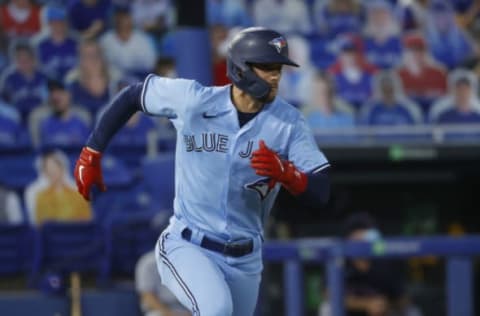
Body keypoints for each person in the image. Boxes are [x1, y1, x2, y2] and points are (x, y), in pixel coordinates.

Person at [74, 27, 331, 315]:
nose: (275, 76)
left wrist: (288, 174)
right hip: (190, 245)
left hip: (246, 258)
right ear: (241, 68)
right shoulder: (196, 100)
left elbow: (321, 191)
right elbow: (135, 95)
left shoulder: (289, 123)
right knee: (216, 309)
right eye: (267, 67)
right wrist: (92, 151)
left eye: (279, 69)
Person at [319, 212, 422, 316]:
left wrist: (385, 305)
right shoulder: (340, 260)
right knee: (328, 308)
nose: (363, 240)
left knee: (412, 311)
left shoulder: (385, 261)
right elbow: (328, 295)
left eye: (367, 234)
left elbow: (403, 298)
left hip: (382, 312)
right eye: (358, 237)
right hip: (350, 312)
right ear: (349, 238)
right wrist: (366, 304)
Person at [25, 150, 92, 226]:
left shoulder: (78, 194)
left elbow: (86, 220)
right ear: (45, 173)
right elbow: (41, 224)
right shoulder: (41, 197)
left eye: (55, 167)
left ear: (62, 169)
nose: (53, 172)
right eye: (49, 169)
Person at [135, 250, 190, 316]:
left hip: (186, 310)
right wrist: (170, 314)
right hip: (159, 310)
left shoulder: (189, 261)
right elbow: (147, 297)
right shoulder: (148, 262)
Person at [36, 5, 78, 82]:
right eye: (54, 22)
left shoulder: (76, 42)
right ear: (48, 24)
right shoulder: (39, 45)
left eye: (61, 22)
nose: (58, 26)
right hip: (50, 86)